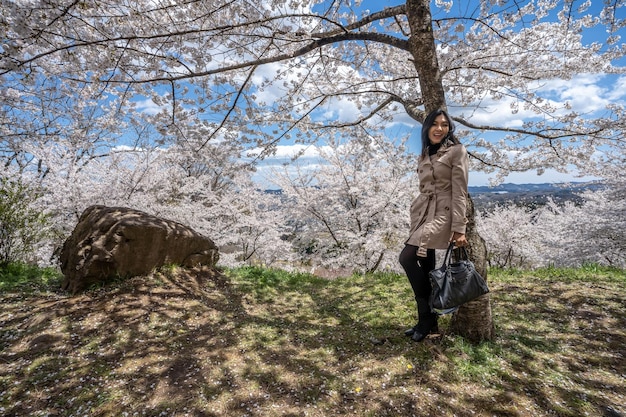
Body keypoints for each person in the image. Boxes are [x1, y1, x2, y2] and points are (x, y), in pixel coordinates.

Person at [399, 108, 469, 342]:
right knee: (425, 263)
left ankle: (427, 319)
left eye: (445, 125)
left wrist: (460, 227)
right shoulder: (424, 154)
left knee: (407, 257)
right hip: (422, 213)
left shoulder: (457, 152)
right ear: (427, 127)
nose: (440, 128)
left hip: (444, 213)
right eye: (435, 124)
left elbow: (460, 191)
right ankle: (427, 320)